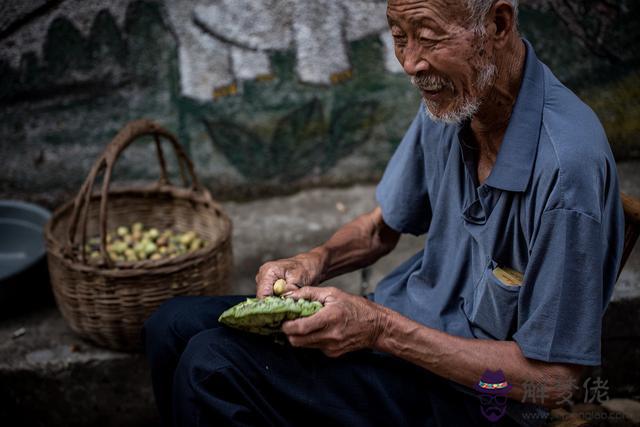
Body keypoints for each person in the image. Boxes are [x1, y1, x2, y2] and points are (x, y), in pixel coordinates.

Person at [143, 0, 625, 425]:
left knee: (212, 367)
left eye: (429, 37)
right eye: (399, 37)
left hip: (480, 397)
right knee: (172, 324)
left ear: (498, 25)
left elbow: (554, 382)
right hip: (398, 340)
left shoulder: (568, 168)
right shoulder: (455, 99)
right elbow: (381, 228)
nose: (411, 63)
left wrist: (380, 329)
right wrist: (316, 260)